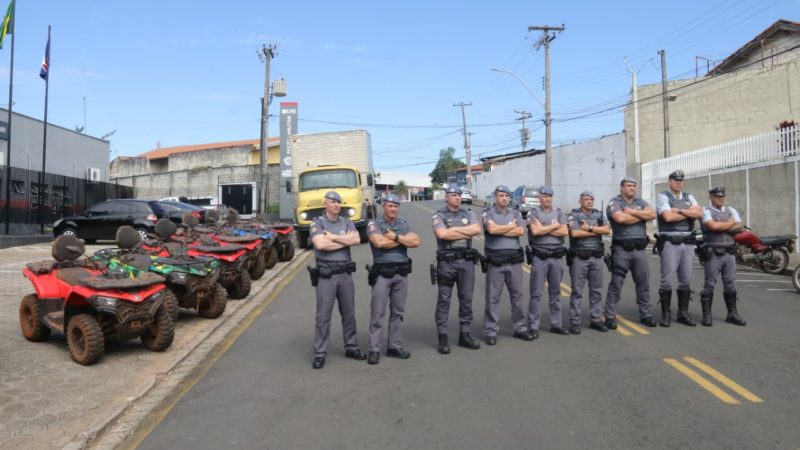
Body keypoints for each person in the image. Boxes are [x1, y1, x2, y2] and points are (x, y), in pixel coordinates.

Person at [309, 191, 366, 369]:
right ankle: (320, 353)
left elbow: (356, 239)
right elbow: (320, 244)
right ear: (325, 204)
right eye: (332, 202)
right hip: (326, 276)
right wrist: (344, 241)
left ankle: (351, 347)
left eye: (338, 202)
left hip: (345, 275)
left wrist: (333, 237)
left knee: (349, 314)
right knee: (323, 317)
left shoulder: (346, 222)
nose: (336, 205)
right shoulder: (317, 223)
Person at [366, 194, 420, 365]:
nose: (393, 209)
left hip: (401, 275)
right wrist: (404, 241)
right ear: (384, 207)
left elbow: (416, 241)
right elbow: (379, 243)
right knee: (378, 313)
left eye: (396, 206)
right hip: (382, 275)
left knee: (398, 313)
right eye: (390, 206)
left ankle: (394, 346)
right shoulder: (375, 224)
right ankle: (374, 349)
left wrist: (395, 237)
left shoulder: (404, 224)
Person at [432, 186, 482, 354]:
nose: (457, 198)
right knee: (444, 300)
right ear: (446, 197)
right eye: (453, 195)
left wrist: (453, 230)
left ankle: (465, 334)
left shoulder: (469, 213)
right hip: (447, 263)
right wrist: (463, 232)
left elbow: (476, 230)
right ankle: (442, 337)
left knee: (466, 300)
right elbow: (442, 235)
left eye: (459, 195)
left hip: (466, 262)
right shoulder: (439, 215)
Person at [604, 177, 658, 329]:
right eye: (628, 185)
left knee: (643, 284)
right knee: (616, 283)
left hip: (640, 249)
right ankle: (610, 315)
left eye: (634, 186)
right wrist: (641, 215)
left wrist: (633, 212)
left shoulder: (640, 202)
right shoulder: (615, 203)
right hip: (622, 250)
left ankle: (646, 315)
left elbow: (652, 215)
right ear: (621, 188)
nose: (632, 188)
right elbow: (620, 218)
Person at [482, 185, 532, 345]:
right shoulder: (488, 213)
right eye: (501, 195)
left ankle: (520, 328)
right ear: (495, 197)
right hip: (495, 262)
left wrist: (502, 228)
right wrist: (511, 226)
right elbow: (492, 230)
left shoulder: (516, 213)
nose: (504, 198)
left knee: (517, 297)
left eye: (507, 196)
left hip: (514, 261)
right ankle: (491, 331)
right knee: (493, 298)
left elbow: (521, 231)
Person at [655, 170, 703, 327]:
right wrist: (690, 213)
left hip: (688, 243)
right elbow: (667, 217)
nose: (678, 182)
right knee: (667, 280)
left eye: (680, 180)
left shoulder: (689, 196)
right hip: (670, 242)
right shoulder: (663, 197)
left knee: (686, 279)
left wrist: (679, 210)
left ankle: (683, 313)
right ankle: (666, 314)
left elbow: (700, 213)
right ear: (669, 181)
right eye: (675, 180)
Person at [699, 186, 747, 327]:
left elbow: (741, 227)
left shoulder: (731, 210)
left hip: (729, 253)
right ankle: (707, 314)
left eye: (722, 196)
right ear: (711, 197)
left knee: (730, 283)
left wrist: (723, 225)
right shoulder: (705, 211)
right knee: (709, 284)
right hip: (713, 252)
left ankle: (732, 313)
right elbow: (712, 227)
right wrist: (731, 223)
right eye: (717, 196)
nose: (720, 198)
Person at [527, 185, 569, 337]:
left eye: (550, 196)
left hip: (556, 257)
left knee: (555, 292)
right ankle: (533, 325)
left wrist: (545, 226)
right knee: (536, 293)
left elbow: (565, 231)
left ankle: (556, 324)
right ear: (539, 197)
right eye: (545, 196)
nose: (547, 199)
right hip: (540, 257)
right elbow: (535, 231)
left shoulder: (558, 212)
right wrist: (555, 225)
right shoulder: (534, 212)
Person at [566, 190, 611, 333]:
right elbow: (575, 233)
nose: (589, 201)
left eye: (591, 199)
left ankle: (596, 319)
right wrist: (596, 230)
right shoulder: (574, 215)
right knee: (577, 291)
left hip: (596, 257)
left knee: (596, 291)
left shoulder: (598, 215)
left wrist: (589, 228)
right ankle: (575, 321)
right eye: (586, 199)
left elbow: (607, 230)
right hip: (579, 258)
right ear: (580, 201)